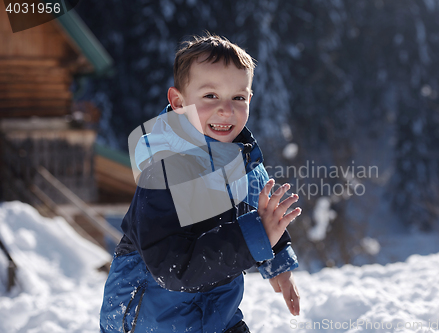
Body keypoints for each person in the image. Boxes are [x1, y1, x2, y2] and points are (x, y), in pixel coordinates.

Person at [99, 33, 301, 333]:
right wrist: (257, 237)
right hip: (152, 316)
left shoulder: (241, 162)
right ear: (179, 102)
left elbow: (262, 217)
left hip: (218, 311)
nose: (226, 109)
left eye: (238, 98)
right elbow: (172, 269)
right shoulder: (164, 170)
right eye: (210, 96)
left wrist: (278, 264)